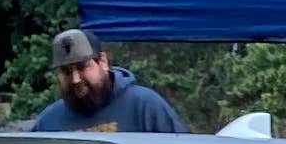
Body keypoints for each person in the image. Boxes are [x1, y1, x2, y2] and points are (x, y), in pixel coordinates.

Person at [31, 28, 189, 134]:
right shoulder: (48, 123)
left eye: (82, 67)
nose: (75, 79)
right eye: (66, 71)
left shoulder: (145, 106)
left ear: (103, 61)